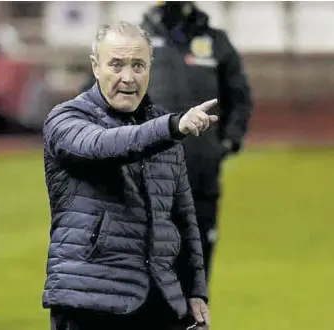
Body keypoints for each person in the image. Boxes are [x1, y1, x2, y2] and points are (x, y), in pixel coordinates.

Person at [43, 21, 219, 330]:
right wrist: (172, 128)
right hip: (91, 302)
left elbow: (182, 217)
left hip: (159, 299)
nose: (128, 77)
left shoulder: (164, 127)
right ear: (96, 67)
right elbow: (104, 146)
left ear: (150, 67)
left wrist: (194, 291)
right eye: (116, 64)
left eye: (138, 65)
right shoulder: (66, 119)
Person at [140, 1, 253, 283]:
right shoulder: (135, 42)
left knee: (196, 270)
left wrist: (227, 143)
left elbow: (239, 99)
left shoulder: (216, 42)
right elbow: (104, 94)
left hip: (201, 177)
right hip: (147, 178)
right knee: (148, 270)